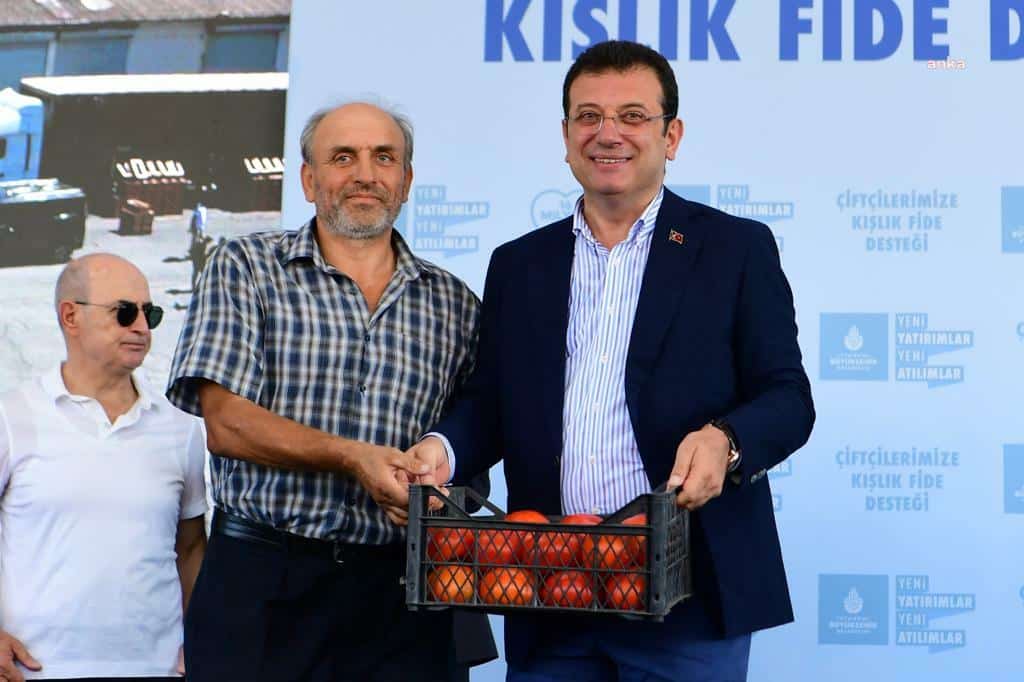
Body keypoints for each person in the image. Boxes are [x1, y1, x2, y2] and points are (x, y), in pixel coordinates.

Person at [411, 40, 816, 681]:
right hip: (548, 587)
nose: (608, 134)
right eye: (589, 116)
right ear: (566, 136)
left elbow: (788, 397)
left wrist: (727, 440)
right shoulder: (519, 264)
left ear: (671, 136)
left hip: (690, 595)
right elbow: (492, 402)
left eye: (632, 116)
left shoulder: (736, 248)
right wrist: (443, 450)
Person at [166, 101, 495, 682]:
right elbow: (226, 424)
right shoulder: (246, 266)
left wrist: (435, 489)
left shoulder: (456, 304)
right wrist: (353, 457)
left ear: (406, 182)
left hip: (403, 598)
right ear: (309, 179)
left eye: (384, 158)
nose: (365, 174)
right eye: (343, 158)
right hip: (262, 584)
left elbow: (473, 442)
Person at [0, 253, 207, 682]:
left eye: (150, 314)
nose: (142, 327)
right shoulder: (10, 417)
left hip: (157, 669)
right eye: (124, 312)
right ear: (70, 316)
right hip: (34, 669)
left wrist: (202, 638)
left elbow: (190, 548)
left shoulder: (181, 427)